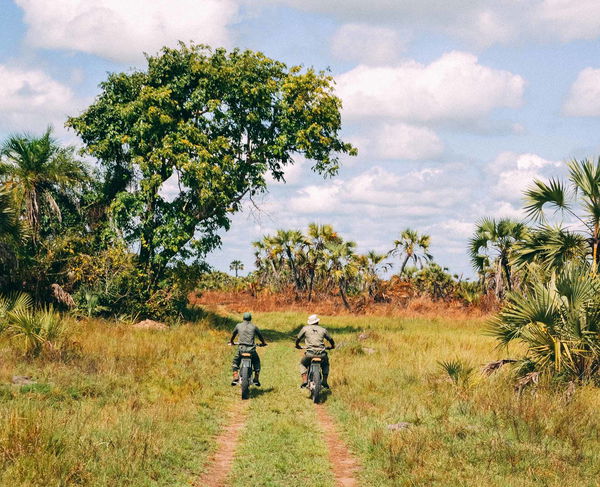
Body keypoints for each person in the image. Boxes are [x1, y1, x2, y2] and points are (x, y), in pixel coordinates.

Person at [295, 314, 335, 389]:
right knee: (326, 364)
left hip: (310, 353)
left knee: (302, 364)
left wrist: (297, 345)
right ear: (317, 322)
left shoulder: (305, 329)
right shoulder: (323, 330)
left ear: (309, 322)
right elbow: (331, 340)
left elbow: (298, 339)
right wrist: (332, 346)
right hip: (322, 354)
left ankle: (304, 380)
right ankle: (325, 381)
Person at [229, 312, 267, 386]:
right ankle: (256, 378)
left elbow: (233, 335)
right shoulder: (254, 327)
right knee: (256, 362)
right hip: (251, 350)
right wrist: (263, 343)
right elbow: (260, 336)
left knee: (235, 361)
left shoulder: (238, 325)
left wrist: (231, 342)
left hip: (241, 349)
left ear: (243, 318)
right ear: (250, 319)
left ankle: (235, 374)